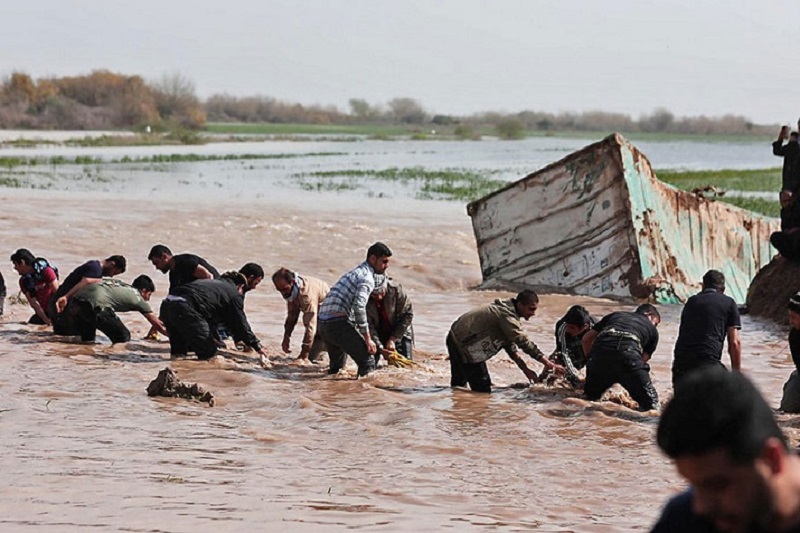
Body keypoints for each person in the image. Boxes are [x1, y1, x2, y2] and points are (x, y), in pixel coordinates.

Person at [651, 368, 800, 533]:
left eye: (717, 485)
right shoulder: (684, 520)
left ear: (772, 458)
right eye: (694, 484)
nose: (701, 507)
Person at [446, 289, 565, 393]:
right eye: (531, 309)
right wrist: (548, 364)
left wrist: (526, 370)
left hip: (456, 339)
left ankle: (458, 411)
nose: (533, 313)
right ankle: (473, 416)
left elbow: (510, 345)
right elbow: (523, 342)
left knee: (458, 385)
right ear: (520, 305)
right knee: (482, 389)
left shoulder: (507, 311)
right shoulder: (507, 316)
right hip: (465, 345)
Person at [159, 271, 269, 366]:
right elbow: (240, 322)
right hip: (185, 308)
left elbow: (206, 316)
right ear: (240, 286)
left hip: (167, 305)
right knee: (208, 354)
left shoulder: (214, 286)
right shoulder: (234, 294)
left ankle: (176, 375)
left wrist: (213, 337)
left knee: (179, 353)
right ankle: (207, 381)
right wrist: (257, 346)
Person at [318, 242, 392, 377]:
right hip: (337, 323)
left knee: (337, 370)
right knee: (368, 361)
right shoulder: (367, 278)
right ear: (373, 259)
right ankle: (364, 397)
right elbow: (359, 307)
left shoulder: (355, 272)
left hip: (323, 323)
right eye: (384, 261)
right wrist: (368, 338)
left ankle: (330, 396)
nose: (386, 266)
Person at [582, 303, 660, 411]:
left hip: (600, 356)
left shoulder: (615, 315)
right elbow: (642, 360)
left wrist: (590, 360)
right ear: (649, 314)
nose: (655, 326)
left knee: (588, 400)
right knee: (652, 407)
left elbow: (586, 339)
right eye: (656, 323)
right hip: (628, 357)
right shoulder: (652, 330)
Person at [672, 270, 741, 386]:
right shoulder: (729, 303)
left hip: (681, 366)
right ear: (723, 289)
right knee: (727, 398)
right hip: (708, 366)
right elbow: (734, 343)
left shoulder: (691, 302)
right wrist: (737, 377)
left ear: (703, 286)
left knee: (684, 402)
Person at [58, 275, 167, 343]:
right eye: (149, 294)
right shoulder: (137, 297)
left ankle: (85, 363)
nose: (148, 299)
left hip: (76, 302)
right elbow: (156, 323)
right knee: (123, 336)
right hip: (97, 305)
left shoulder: (119, 284)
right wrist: (172, 337)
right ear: (143, 290)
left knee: (88, 341)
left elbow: (90, 281)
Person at [49, 255, 127, 335]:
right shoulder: (95, 268)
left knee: (68, 338)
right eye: (113, 272)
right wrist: (66, 297)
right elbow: (85, 281)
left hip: (62, 304)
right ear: (112, 264)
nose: (111, 276)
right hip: (61, 304)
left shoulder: (95, 268)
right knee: (66, 338)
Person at [272, 267, 330, 363]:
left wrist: (304, 353)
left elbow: (311, 326)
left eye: (285, 289)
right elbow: (292, 316)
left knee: (311, 356)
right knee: (312, 356)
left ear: (292, 282)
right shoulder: (291, 293)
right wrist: (286, 337)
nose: (283, 293)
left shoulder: (306, 296)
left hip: (327, 312)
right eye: (279, 290)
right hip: (318, 312)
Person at [544, 304, 596, 387]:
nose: (568, 330)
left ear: (585, 327)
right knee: (551, 371)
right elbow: (563, 353)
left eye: (572, 328)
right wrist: (573, 376)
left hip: (588, 351)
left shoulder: (596, 327)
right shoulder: (562, 326)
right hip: (569, 350)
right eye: (567, 326)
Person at [366, 277, 414, 361]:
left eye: (380, 292)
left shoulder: (396, 289)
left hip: (400, 330)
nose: (378, 296)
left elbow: (408, 314)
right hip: (378, 330)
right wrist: (380, 348)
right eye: (374, 294)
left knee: (405, 364)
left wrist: (393, 339)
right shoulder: (364, 298)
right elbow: (369, 326)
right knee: (369, 364)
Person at [10, 248, 59, 325]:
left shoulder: (46, 271)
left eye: (15, 264)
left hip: (56, 308)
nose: (15, 268)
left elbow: (58, 293)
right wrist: (47, 321)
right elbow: (34, 304)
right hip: (44, 312)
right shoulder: (24, 281)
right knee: (31, 325)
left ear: (22, 262)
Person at [147, 244, 220, 293]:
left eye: (156, 263)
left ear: (164, 257)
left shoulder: (184, 262)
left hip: (219, 289)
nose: (157, 268)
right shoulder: (173, 274)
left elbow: (209, 277)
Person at [780, 291, 800, 412]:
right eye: (789, 316)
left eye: (794, 317)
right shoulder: (794, 336)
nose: (791, 321)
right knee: (788, 407)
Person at [770, 190, 800, 261]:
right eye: (785, 201)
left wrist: (795, 230)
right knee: (775, 237)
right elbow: (784, 227)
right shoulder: (784, 212)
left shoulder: (797, 209)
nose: (788, 203)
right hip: (791, 237)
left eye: (789, 200)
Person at [772, 124, 800, 192]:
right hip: (790, 186)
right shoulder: (793, 144)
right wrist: (781, 137)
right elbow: (777, 151)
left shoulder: (794, 143)